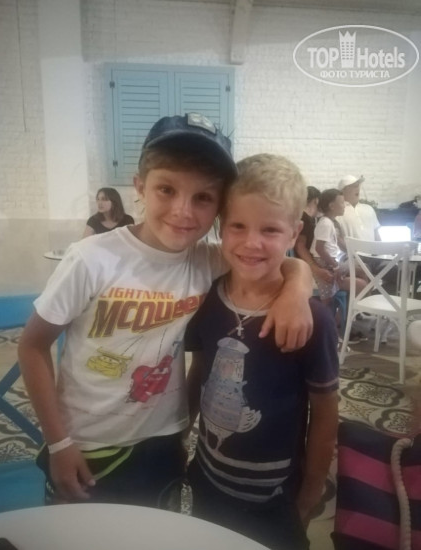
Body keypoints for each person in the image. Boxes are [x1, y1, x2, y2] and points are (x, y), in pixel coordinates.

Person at [18, 113, 313, 508]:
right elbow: (32, 346)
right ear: (140, 187)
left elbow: (284, 262)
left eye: (203, 198)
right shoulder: (90, 259)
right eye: (166, 190)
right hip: (86, 443)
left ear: (219, 207)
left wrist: (297, 289)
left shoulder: (207, 259)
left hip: (164, 441)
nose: (183, 211)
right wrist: (58, 442)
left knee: (156, 531)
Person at [185, 153, 339, 550]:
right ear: (221, 226)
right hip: (207, 480)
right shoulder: (207, 297)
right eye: (237, 226)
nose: (251, 243)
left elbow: (325, 412)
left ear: (294, 233)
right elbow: (199, 372)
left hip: (276, 498)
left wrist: (310, 492)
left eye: (270, 229)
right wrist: (180, 434)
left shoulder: (313, 320)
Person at [310, 189, 366, 306]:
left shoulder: (330, 222)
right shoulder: (325, 223)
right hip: (324, 263)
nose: (344, 205)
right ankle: (333, 312)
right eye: (341, 202)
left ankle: (355, 310)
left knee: (361, 269)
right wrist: (335, 266)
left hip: (329, 261)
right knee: (328, 298)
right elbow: (319, 248)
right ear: (332, 206)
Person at [294, 185, 335, 289]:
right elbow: (300, 247)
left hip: (308, 263)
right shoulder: (305, 219)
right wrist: (316, 269)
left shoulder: (304, 217)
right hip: (307, 266)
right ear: (316, 201)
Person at [335, 175, 381, 241]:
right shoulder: (337, 212)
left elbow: (376, 234)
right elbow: (336, 238)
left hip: (372, 248)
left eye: (358, 185)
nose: (357, 188)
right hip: (349, 248)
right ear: (343, 190)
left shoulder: (369, 209)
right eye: (354, 186)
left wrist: (381, 247)